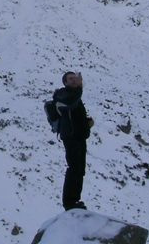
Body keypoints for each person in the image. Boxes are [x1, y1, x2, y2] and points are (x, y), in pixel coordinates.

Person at [53, 71, 94, 211]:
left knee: (79, 169)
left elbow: (74, 113)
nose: (74, 80)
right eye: (71, 79)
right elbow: (70, 103)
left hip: (79, 136)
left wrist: (86, 123)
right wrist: (80, 87)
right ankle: (69, 202)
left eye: (75, 78)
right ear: (65, 82)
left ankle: (74, 200)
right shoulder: (62, 94)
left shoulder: (74, 95)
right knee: (74, 168)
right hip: (70, 137)